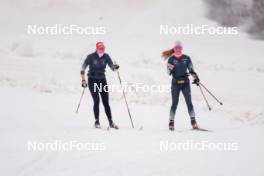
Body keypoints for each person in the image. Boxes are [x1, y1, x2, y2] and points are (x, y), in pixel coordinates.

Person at [80, 42, 119, 129]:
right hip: (92, 80)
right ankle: (97, 121)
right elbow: (83, 68)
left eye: (103, 49)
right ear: (96, 49)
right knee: (96, 101)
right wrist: (83, 79)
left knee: (106, 102)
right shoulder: (91, 57)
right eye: (100, 49)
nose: (101, 50)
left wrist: (115, 67)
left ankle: (111, 122)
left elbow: (112, 67)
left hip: (102, 80)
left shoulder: (106, 56)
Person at [162, 41, 200, 131]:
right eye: (176, 48)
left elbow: (191, 70)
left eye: (179, 48)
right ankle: (171, 123)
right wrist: (170, 68)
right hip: (175, 84)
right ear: (174, 49)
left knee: (189, 103)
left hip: (185, 83)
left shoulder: (186, 58)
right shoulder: (171, 59)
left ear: (181, 48)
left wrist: (196, 78)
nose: (178, 49)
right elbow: (168, 73)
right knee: (174, 103)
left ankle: (193, 122)